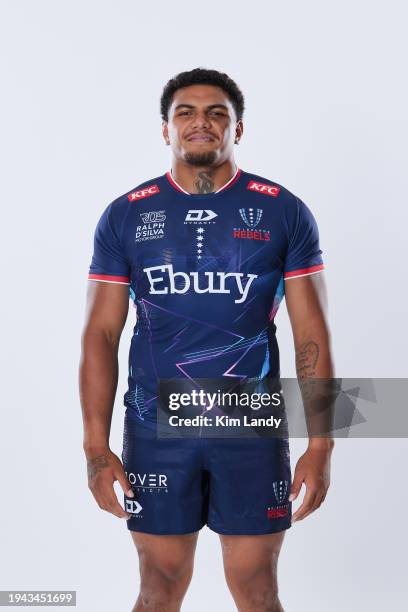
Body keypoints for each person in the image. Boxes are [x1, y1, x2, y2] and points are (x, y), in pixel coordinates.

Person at [79, 67, 335, 612]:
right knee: (159, 586)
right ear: (165, 129)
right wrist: (96, 447)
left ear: (237, 129)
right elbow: (101, 335)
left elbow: (311, 331)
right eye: (185, 113)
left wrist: (321, 443)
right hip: (155, 425)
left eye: (217, 112)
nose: (201, 123)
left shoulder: (281, 210)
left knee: (257, 588)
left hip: (249, 421)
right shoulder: (126, 215)